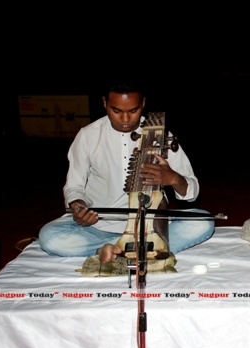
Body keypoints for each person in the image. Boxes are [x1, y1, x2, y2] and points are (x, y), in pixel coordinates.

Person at [39, 77, 214, 262]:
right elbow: (74, 186)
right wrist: (78, 206)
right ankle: (138, 250)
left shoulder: (160, 135)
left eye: (133, 110)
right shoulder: (87, 136)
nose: (125, 119)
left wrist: (173, 179)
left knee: (202, 221)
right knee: (49, 236)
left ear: (143, 103)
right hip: (99, 226)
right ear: (105, 103)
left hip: (151, 227)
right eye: (116, 110)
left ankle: (114, 251)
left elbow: (192, 192)